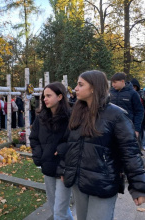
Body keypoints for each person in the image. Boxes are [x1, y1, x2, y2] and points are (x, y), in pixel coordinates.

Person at [62, 70, 145, 220]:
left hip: (103, 182)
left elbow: (130, 152)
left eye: (80, 84)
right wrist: (64, 168)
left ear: (93, 87)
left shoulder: (116, 115)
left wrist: (138, 186)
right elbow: (71, 144)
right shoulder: (77, 111)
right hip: (79, 181)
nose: (76, 88)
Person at [30, 82, 73, 220]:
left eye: (48, 95)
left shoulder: (71, 117)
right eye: (44, 96)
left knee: (60, 211)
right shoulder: (41, 117)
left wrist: (62, 148)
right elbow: (34, 138)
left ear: (60, 97)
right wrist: (38, 156)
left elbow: (76, 140)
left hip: (64, 167)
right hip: (47, 166)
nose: (44, 99)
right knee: (55, 207)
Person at [110, 73, 144, 140]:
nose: (113, 84)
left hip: (127, 128)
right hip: (111, 127)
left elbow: (139, 111)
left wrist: (136, 129)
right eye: (112, 82)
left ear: (122, 81)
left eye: (115, 82)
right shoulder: (110, 92)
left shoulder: (133, 93)